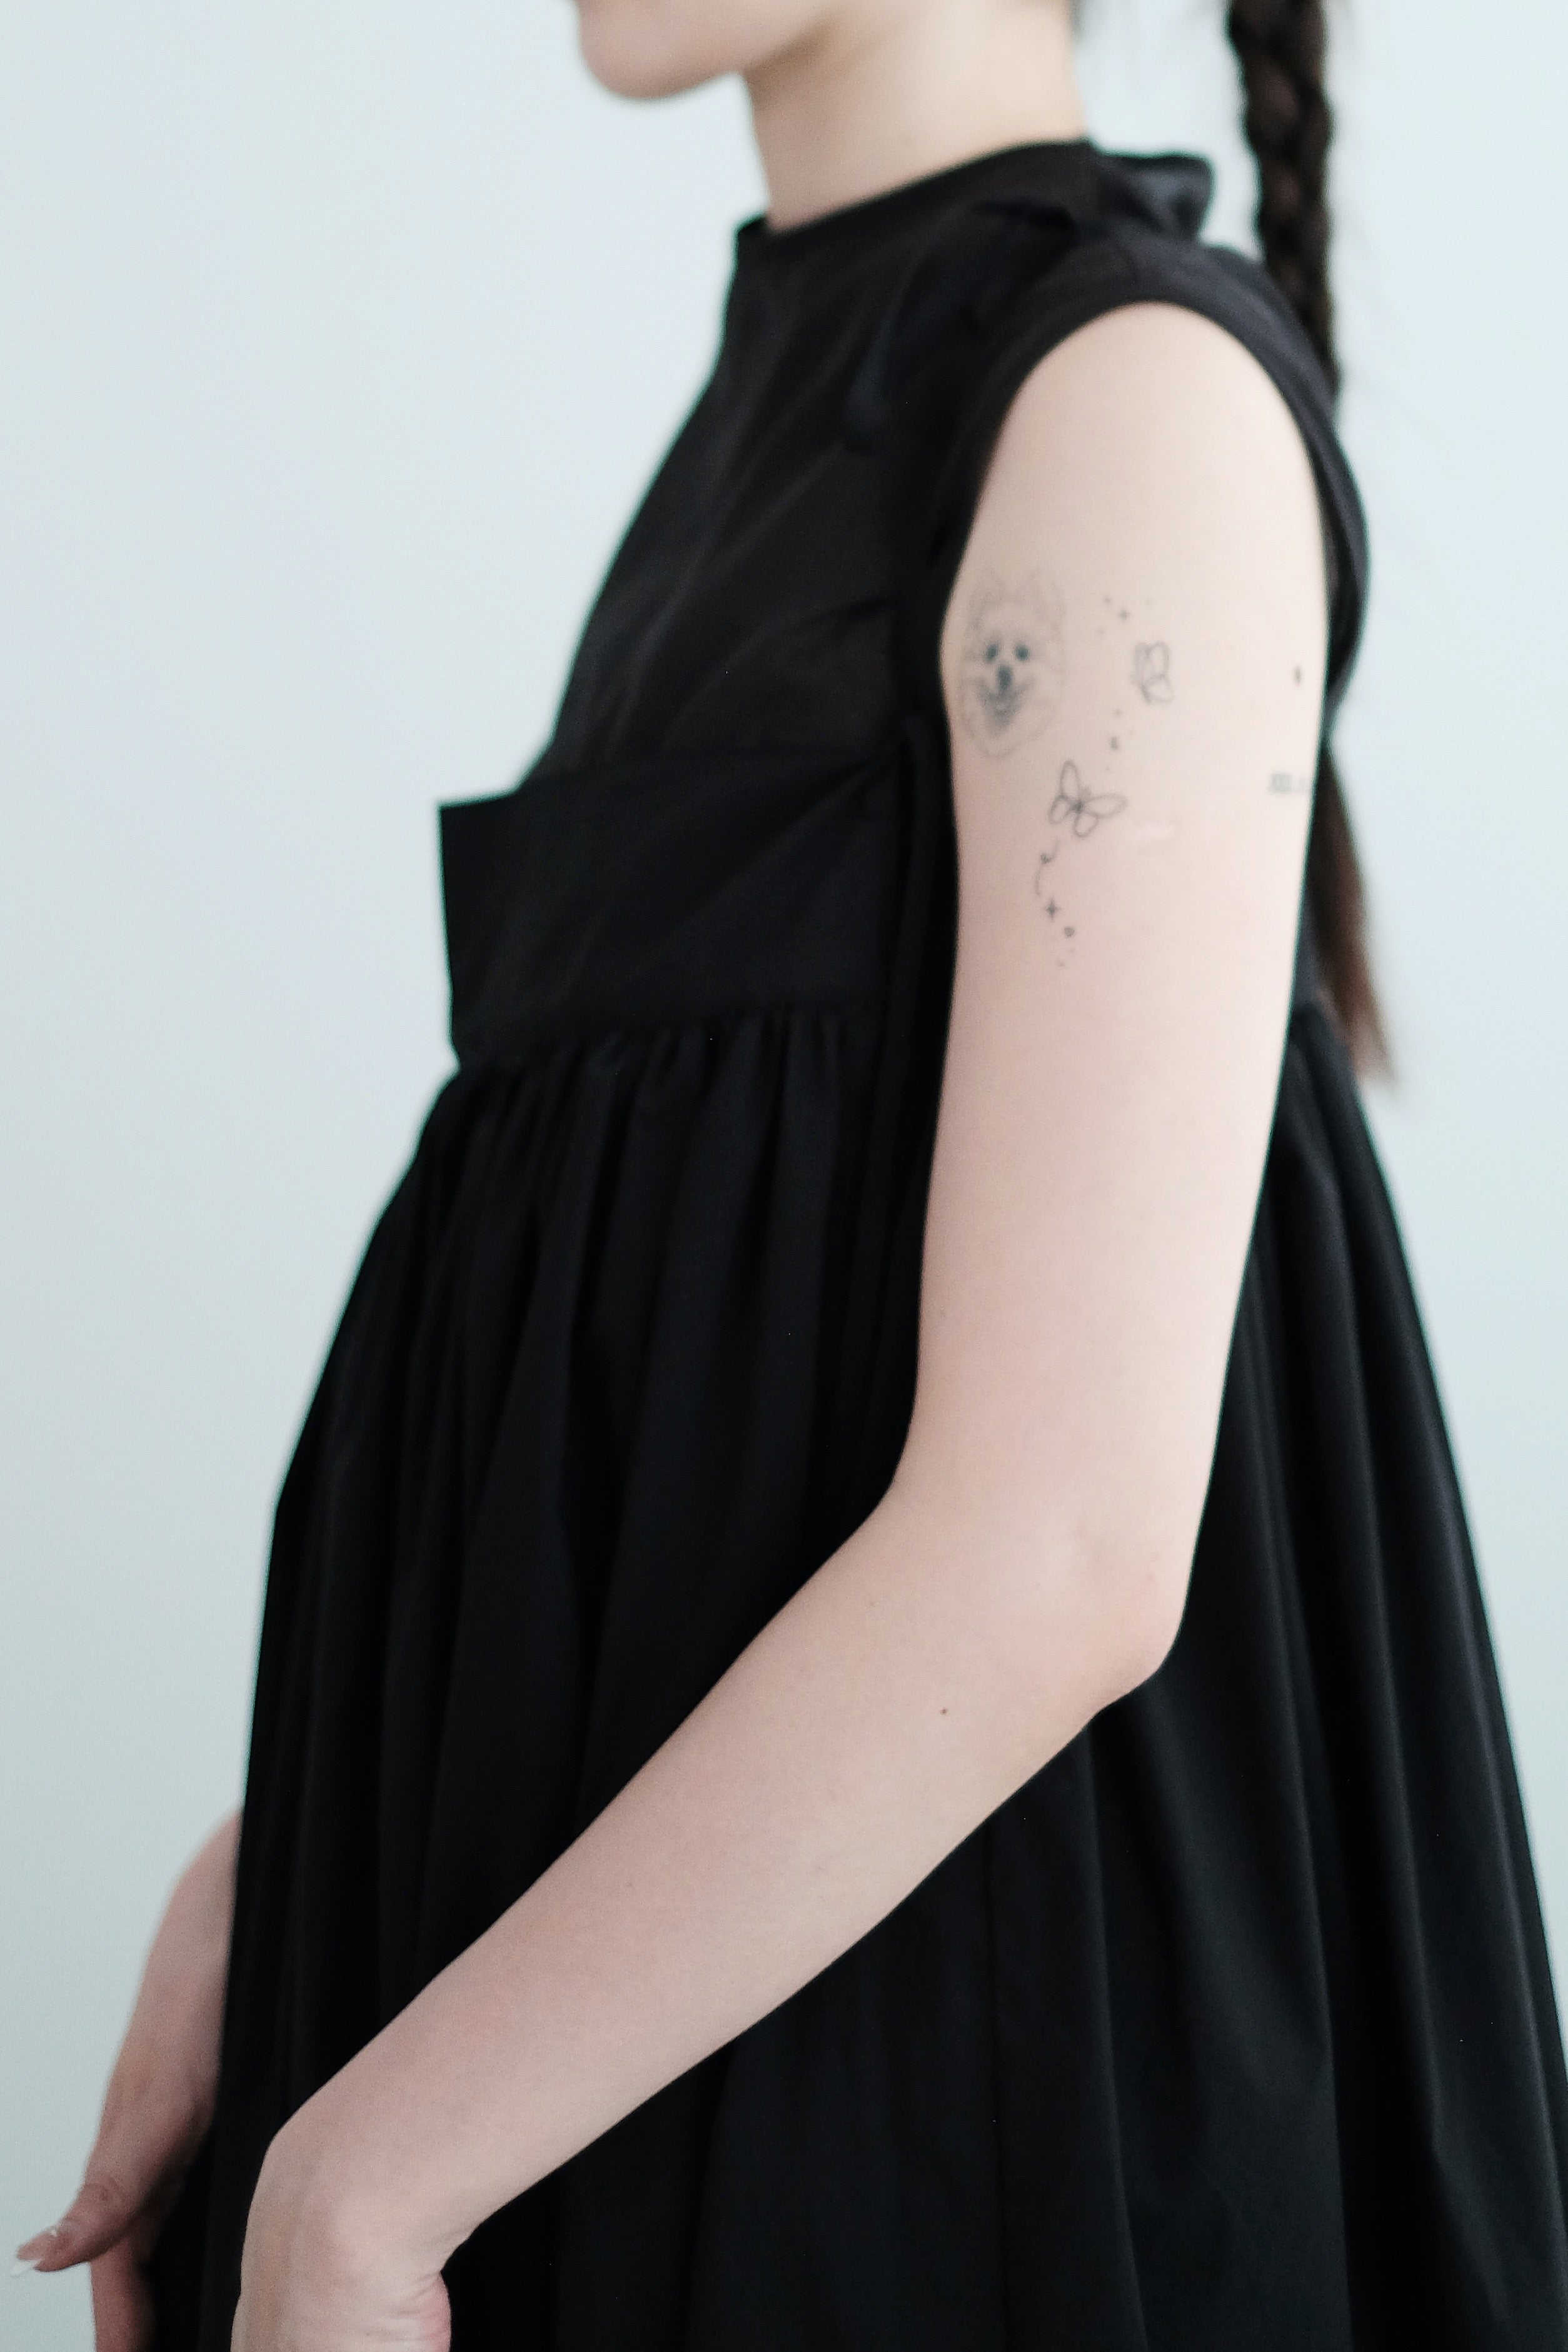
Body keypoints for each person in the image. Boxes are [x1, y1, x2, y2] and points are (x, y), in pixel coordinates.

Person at [18, 1, 1568, 2345]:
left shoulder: (1128, 408)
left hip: (935, 2122)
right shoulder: (781, 413)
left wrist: (363, 2181)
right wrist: (289, 1852)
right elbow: (690, 1406)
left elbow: (1057, 1548)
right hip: (661, 2075)